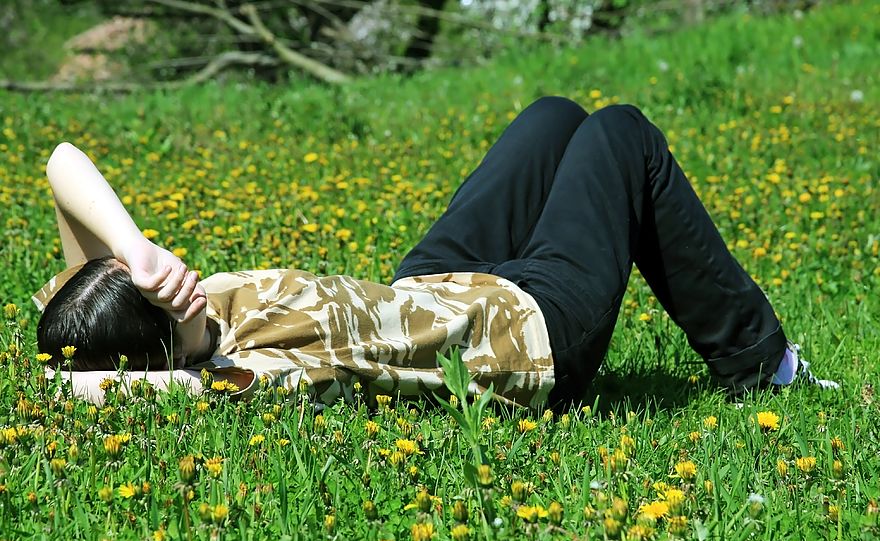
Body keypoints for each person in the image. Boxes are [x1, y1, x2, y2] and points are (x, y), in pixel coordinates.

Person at [33, 97, 838, 409]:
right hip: (521, 334)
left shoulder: (133, 299)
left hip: (428, 290)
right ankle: (763, 366)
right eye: (163, 298)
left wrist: (133, 252)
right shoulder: (236, 378)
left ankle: (757, 359)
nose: (179, 281)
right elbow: (88, 393)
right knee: (621, 134)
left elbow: (61, 161)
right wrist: (99, 379)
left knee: (555, 119)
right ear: (158, 357)